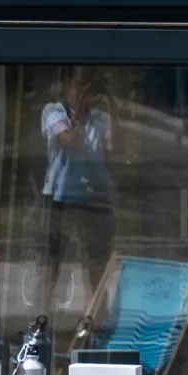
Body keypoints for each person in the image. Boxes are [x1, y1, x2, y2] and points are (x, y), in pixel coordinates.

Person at [40, 69, 115, 310]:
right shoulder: (53, 111)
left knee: (96, 264)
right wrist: (80, 116)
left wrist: (113, 106)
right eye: (78, 86)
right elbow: (68, 141)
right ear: (67, 86)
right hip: (61, 197)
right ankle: (40, 318)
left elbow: (116, 149)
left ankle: (96, 319)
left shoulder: (101, 117)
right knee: (52, 264)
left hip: (94, 197)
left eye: (87, 88)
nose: (82, 92)